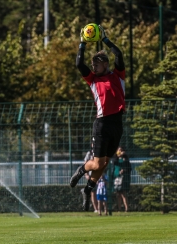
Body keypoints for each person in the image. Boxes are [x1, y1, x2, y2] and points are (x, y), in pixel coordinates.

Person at [70, 25, 126, 201]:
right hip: (102, 123)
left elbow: (119, 54)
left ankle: (88, 189)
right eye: (93, 63)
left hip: (117, 123)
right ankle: (81, 170)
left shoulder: (118, 76)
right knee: (96, 163)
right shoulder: (92, 79)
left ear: (105, 64)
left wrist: (105, 39)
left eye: (97, 63)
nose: (93, 66)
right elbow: (79, 63)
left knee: (105, 163)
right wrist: (82, 43)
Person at [113, 146, 132, 212]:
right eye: (118, 150)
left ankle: (127, 208)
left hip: (123, 178)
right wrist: (118, 156)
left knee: (123, 193)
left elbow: (129, 168)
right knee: (118, 194)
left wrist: (124, 170)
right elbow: (114, 162)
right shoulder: (116, 159)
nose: (119, 151)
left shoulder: (125, 159)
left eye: (121, 150)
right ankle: (119, 208)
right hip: (116, 177)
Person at [81, 144, 98, 212]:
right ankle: (96, 208)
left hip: (99, 176)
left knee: (100, 192)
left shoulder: (101, 152)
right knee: (93, 192)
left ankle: (101, 208)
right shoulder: (89, 153)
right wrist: (86, 174)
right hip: (91, 176)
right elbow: (85, 164)